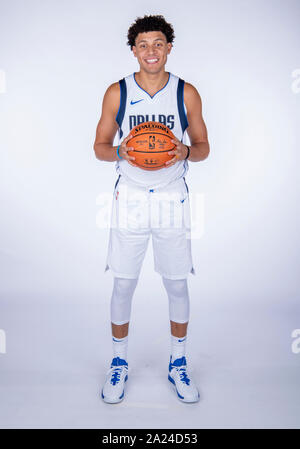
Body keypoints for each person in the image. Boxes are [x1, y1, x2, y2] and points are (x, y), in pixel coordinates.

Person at [93, 15, 210, 404]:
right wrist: (120, 151)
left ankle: (178, 362)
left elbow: (204, 147)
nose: (151, 51)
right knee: (124, 282)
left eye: (158, 43)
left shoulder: (186, 92)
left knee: (176, 282)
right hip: (130, 196)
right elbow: (99, 147)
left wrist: (187, 151)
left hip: (171, 195)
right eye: (143, 45)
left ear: (169, 48)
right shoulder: (118, 92)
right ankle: (119, 362)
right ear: (133, 50)